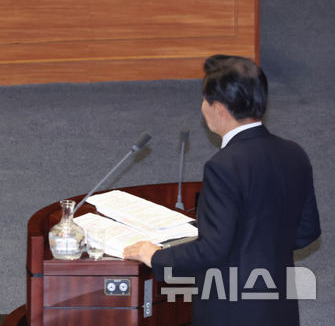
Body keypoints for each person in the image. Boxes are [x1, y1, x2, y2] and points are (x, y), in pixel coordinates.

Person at [123, 55, 320, 326]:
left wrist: (153, 255)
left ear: (220, 109)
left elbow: (212, 250)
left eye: (206, 100)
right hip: (280, 308)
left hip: (232, 312)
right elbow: (307, 231)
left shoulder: (223, 166)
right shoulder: (294, 154)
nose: (202, 107)